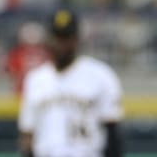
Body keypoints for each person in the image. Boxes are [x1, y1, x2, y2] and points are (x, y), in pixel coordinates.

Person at [18, 9, 123, 157]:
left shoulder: (101, 75)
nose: (61, 44)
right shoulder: (35, 79)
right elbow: (28, 133)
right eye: (57, 37)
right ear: (49, 39)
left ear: (77, 39)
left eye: (66, 38)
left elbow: (113, 133)